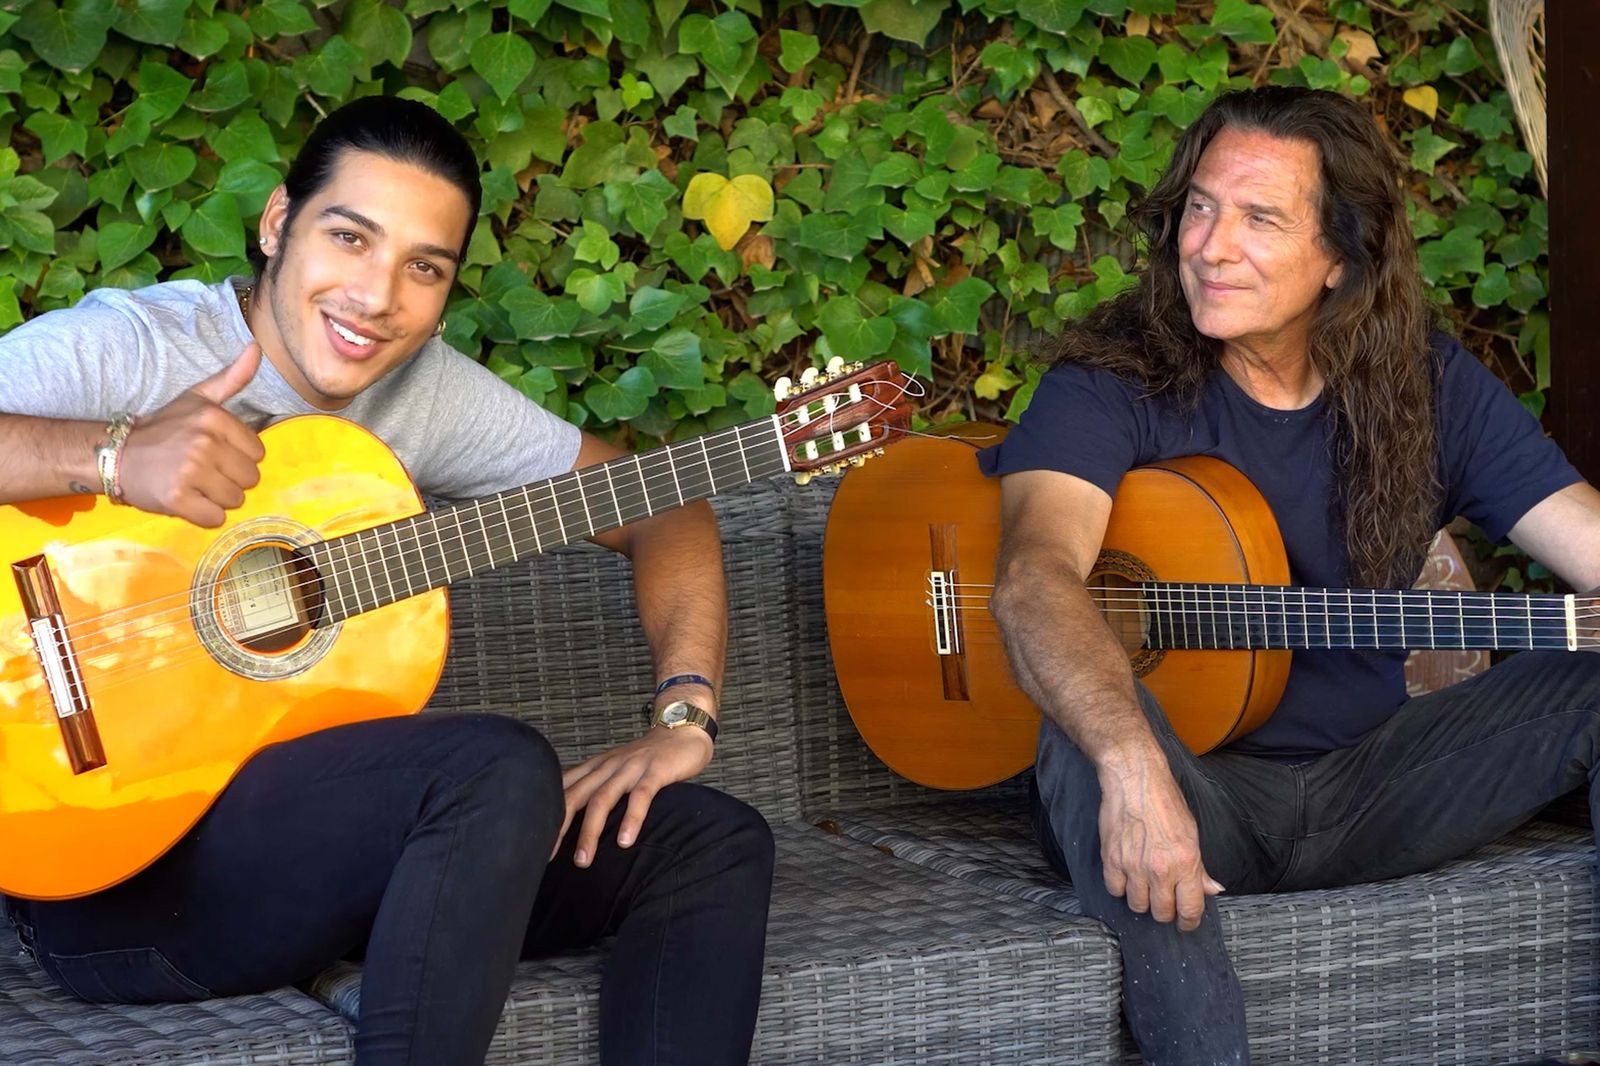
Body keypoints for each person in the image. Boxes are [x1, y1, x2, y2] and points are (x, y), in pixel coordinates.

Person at [0, 95, 774, 1066]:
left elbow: (666, 506)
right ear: (278, 222)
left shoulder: (423, 391)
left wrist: (683, 717)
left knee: (708, 841)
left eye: (423, 268)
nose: (376, 296)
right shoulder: (135, 348)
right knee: (494, 765)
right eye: (349, 237)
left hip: (312, 866)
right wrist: (112, 457)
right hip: (106, 878)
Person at [982, 86, 1600, 1064]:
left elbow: (1589, 549)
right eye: (1198, 206)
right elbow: (1032, 578)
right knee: (1083, 730)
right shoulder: (1111, 380)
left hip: (1376, 780)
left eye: (1258, 217)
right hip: (1194, 794)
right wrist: (1136, 767)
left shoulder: (1426, 388)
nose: (1210, 245)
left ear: (1340, 260)